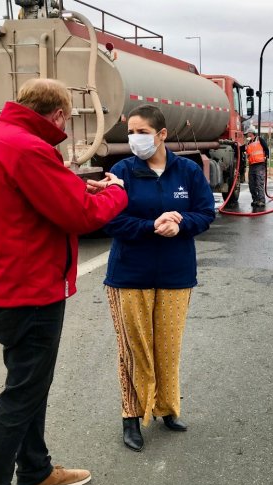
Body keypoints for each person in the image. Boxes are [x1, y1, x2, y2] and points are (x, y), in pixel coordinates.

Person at [0, 78, 128, 485]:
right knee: (21, 396)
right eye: (66, 121)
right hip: (30, 289)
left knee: (28, 386)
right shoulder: (30, 148)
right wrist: (114, 193)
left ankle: (35, 471)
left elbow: (28, 197)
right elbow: (79, 216)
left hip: (4, 280)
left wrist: (76, 184)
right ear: (57, 114)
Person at [102, 105, 215, 452]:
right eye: (131, 132)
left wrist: (180, 223)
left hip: (175, 273)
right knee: (135, 350)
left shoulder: (188, 171)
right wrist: (150, 226)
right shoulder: (122, 171)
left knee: (167, 346)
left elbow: (205, 212)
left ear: (162, 134)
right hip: (129, 274)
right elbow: (110, 219)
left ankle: (167, 408)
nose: (135, 139)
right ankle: (131, 417)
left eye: (142, 132)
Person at [245, 126, 269, 210]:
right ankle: (255, 200)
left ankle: (261, 200)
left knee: (259, 183)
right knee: (251, 184)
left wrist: (266, 157)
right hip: (252, 165)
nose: (247, 134)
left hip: (259, 164)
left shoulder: (259, 140)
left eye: (248, 133)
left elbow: (266, 148)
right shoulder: (248, 143)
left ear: (251, 133)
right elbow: (245, 151)